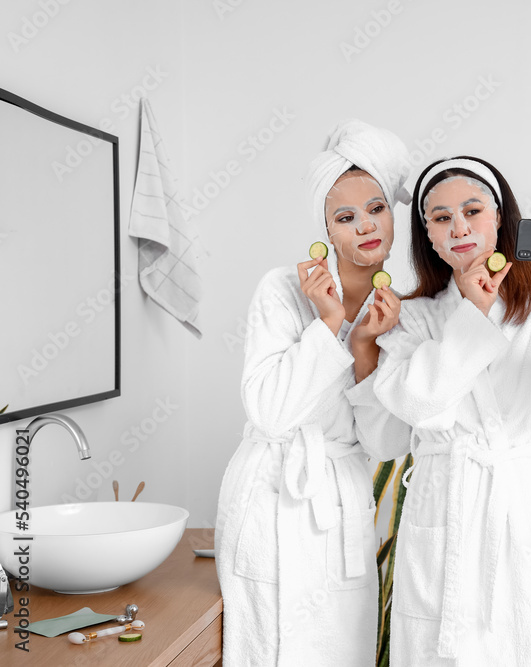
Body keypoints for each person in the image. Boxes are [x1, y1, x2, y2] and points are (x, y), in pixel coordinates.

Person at [350, 156, 531, 666]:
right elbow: (419, 406)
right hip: (448, 509)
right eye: (441, 218)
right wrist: (473, 315)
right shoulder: (412, 319)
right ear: (429, 236)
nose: (459, 228)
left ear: (502, 219)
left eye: (472, 211)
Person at [215, 119, 410, 666]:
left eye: (376, 208)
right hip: (274, 497)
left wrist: (367, 347)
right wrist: (326, 325)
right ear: (325, 228)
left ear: (394, 216)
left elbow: (389, 441)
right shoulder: (282, 290)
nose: (364, 226)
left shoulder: (402, 313)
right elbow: (271, 413)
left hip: (342, 503)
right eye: (345, 217)